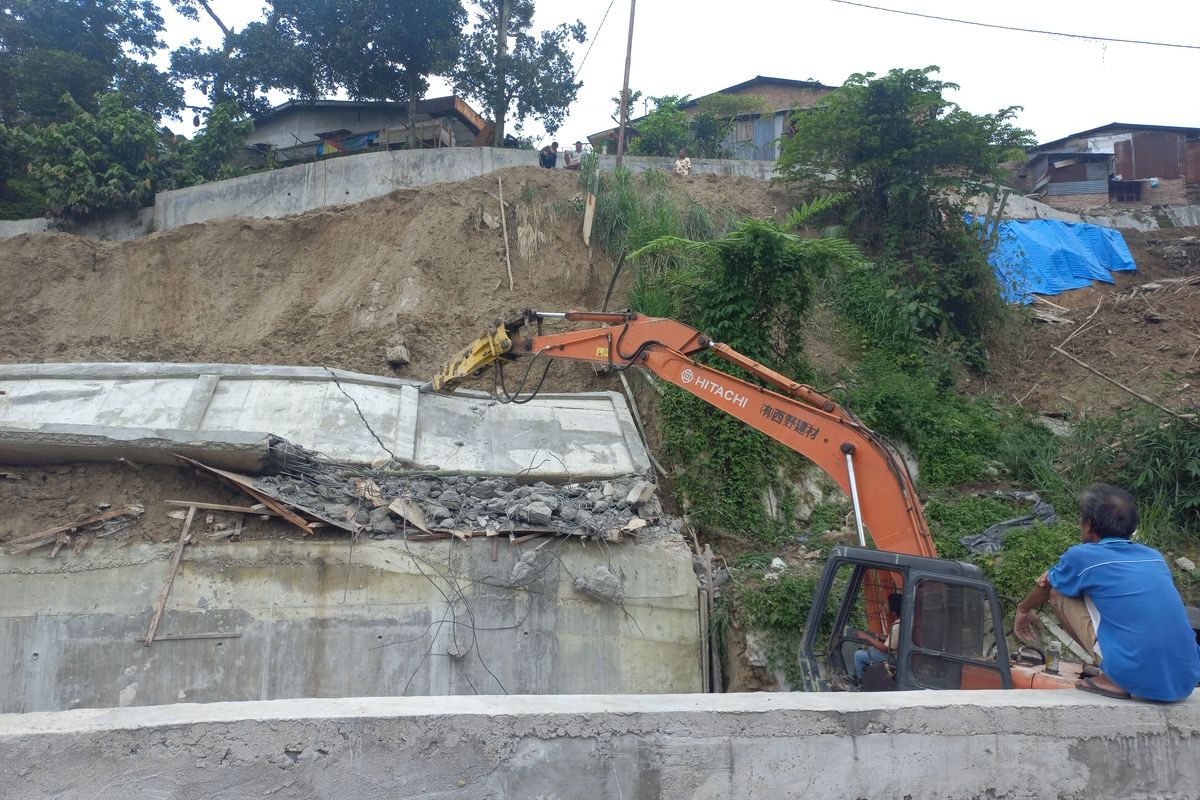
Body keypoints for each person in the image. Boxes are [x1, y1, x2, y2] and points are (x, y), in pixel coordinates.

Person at [1015, 483, 1200, 701]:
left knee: (1059, 592)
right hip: (1186, 678)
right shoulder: (1154, 557)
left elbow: (1045, 587)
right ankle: (1115, 668)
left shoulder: (1082, 556)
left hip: (1134, 676)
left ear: (1089, 524)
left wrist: (1023, 609)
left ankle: (1112, 678)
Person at [854, 592, 902, 684]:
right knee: (870, 650)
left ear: (894, 612)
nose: (884, 606)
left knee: (858, 655)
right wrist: (885, 637)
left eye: (887, 604)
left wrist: (866, 637)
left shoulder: (897, 626)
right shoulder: (902, 622)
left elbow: (885, 649)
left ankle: (861, 684)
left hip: (895, 659)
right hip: (898, 655)